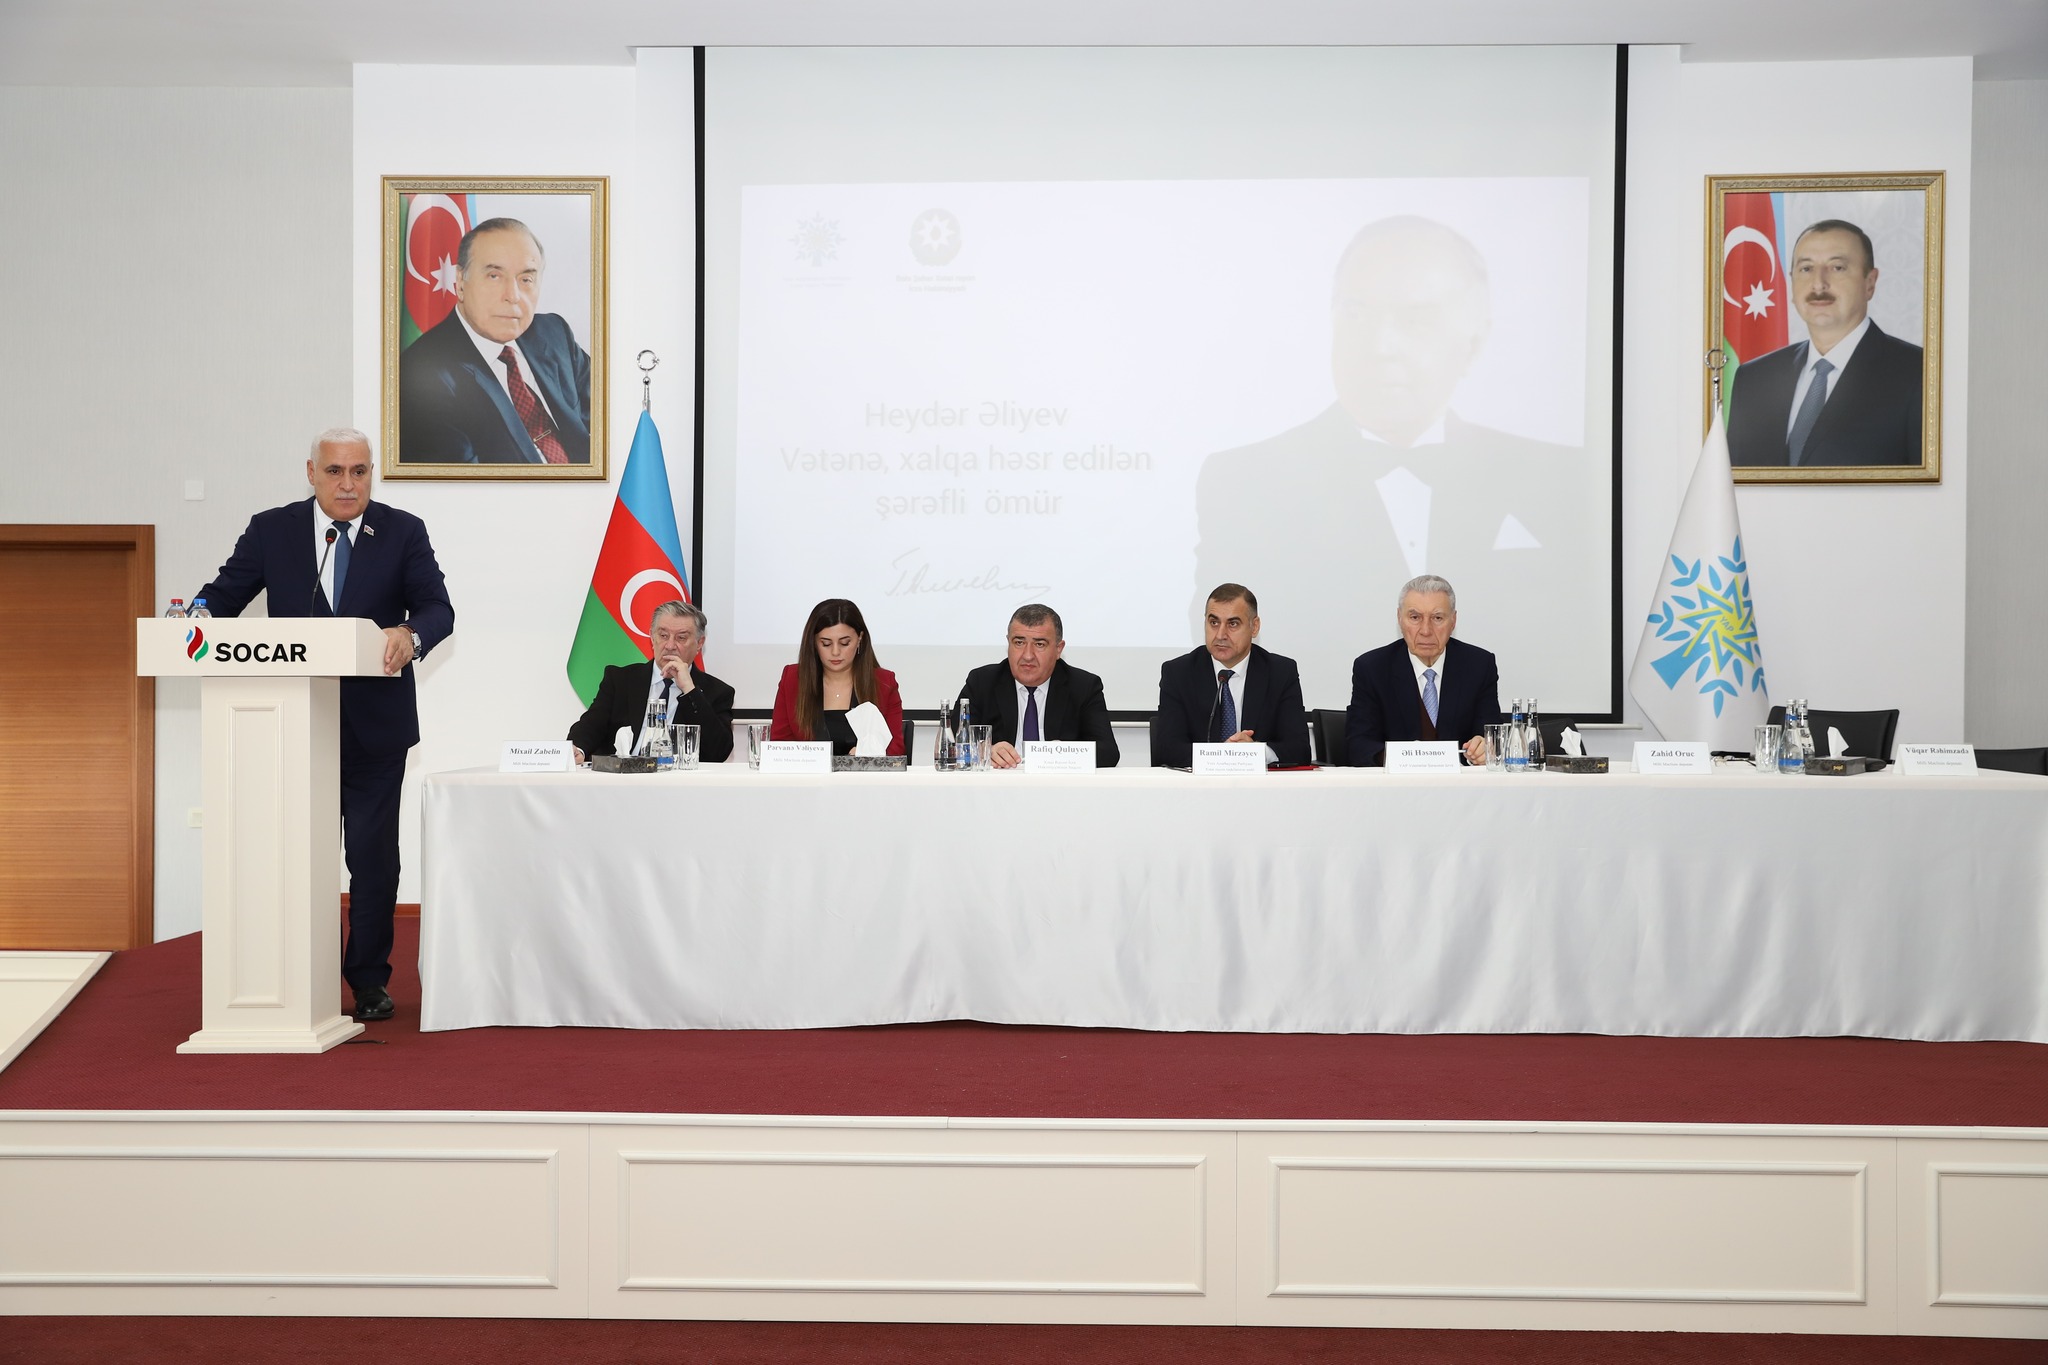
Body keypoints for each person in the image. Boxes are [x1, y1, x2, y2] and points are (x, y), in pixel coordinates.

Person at [1195, 215, 1585, 703]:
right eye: (1357, 314)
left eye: (1415, 320)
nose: (1381, 347)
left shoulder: (1556, 476)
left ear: (1474, 340)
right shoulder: (1245, 480)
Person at [193, 428, 454, 1022]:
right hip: (290, 727)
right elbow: (222, 597)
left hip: (375, 730)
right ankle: (297, 973)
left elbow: (437, 608)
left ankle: (368, 980)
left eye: (359, 471)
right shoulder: (272, 530)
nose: (348, 484)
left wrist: (409, 634)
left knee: (372, 860)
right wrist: (193, 618)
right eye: (335, 471)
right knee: (294, 857)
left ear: (371, 474)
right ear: (311, 472)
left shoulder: (402, 531)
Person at [1727, 218, 1925, 468]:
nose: (1819, 283)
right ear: (1791, 282)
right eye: (1806, 269)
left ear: (1870, 283)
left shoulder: (1919, 373)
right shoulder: (1754, 378)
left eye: (1837, 267)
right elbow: (1733, 481)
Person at [398, 216, 593, 465]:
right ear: (460, 283)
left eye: (526, 279)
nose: (513, 295)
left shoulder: (555, 333)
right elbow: (465, 483)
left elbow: (611, 428)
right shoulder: (422, 375)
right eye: (494, 276)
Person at [1345, 574, 1500, 768]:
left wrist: (1484, 749)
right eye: (1415, 617)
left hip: (1461, 784)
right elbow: (1359, 746)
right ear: (1399, 618)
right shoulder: (1372, 668)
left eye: (1437, 618)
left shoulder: (1479, 666)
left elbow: (1490, 737)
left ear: (1453, 621)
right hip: (1396, 784)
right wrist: (1406, 760)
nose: (1426, 630)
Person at [1150, 583, 1311, 768]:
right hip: (1199, 784)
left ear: (1254, 627)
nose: (1220, 635)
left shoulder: (1280, 672)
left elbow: (1300, 749)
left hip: (1260, 784)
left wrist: (1256, 752)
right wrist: (1224, 755)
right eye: (1214, 622)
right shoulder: (1179, 673)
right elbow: (1168, 750)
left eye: (1233, 624)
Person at [568, 601, 735, 763]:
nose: (670, 645)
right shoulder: (620, 680)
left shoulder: (717, 692)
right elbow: (591, 725)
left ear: (699, 643)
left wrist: (690, 691)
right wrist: (578, 750)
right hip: (624, 776)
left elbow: (718, 752)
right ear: (652, 637)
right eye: (663, 636)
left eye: (681, 638)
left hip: (679, 779)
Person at [955, 604, 1120, 768]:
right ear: (1008, 643)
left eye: (1039, 644)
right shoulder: (982, 682)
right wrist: (984, 750)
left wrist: (1062, 753)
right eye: (1019, 642)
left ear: (1058, 649)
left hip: (1057, 782)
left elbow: (1108, 752)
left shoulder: (1083, 686)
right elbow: (953, 743)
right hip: (1001, 781)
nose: (1028, 655)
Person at [768, 598, 904, 756]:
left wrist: (866, 754)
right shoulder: (792, 679)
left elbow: (896, 749)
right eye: (826, 644)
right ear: (813, 642)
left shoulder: (884, 682)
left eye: (844, 643)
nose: (835, 652)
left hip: (864, 773)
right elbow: (780, 747)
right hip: (809, 773)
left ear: (860, 638)